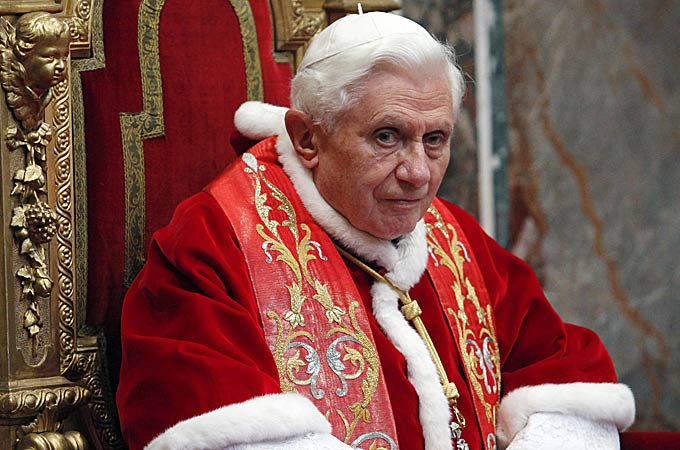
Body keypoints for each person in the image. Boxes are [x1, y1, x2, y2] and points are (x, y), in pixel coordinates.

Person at [116, 11, 635, 450]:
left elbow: (559, 370)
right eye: (387, 136)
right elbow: (211, 419)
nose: (418, 173)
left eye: (435, 139)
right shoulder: (217, 242)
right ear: (308, 138)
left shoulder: (453, 237)